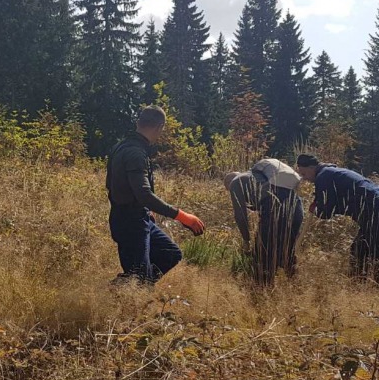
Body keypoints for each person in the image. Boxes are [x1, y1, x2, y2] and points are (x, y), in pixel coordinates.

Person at [106, 105, 205, 283]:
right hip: (130, 224)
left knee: (170, 253)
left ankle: (135, 285)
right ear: (160, 127)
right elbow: (144, 194)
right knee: (139, 279)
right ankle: (124, 293)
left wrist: (145, 209)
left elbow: (112, 185)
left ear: (139, 122)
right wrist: (183, 217)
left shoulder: (121, 147)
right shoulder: (135, 152)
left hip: (137, 218)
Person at [296, 153, 379, 279]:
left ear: (312, 168)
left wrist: (317, 209)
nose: (304, 178)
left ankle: (360, 284)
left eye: (304, 174)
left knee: (361, 250)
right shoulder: (331, 172)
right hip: (373, 208)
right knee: (364, 248)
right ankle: (365, 283)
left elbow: (326, 211)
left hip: (373, 209)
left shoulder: (323, 177)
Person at [224, 159, 304, 286]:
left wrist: (246, 240)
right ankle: (296, 290)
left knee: (262, 256)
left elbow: (240, 216)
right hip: (297, 208)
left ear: (228, 184)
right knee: (286, 253)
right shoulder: (264, 178)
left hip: (275, 210)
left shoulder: (235, 182)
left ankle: (261, 295)